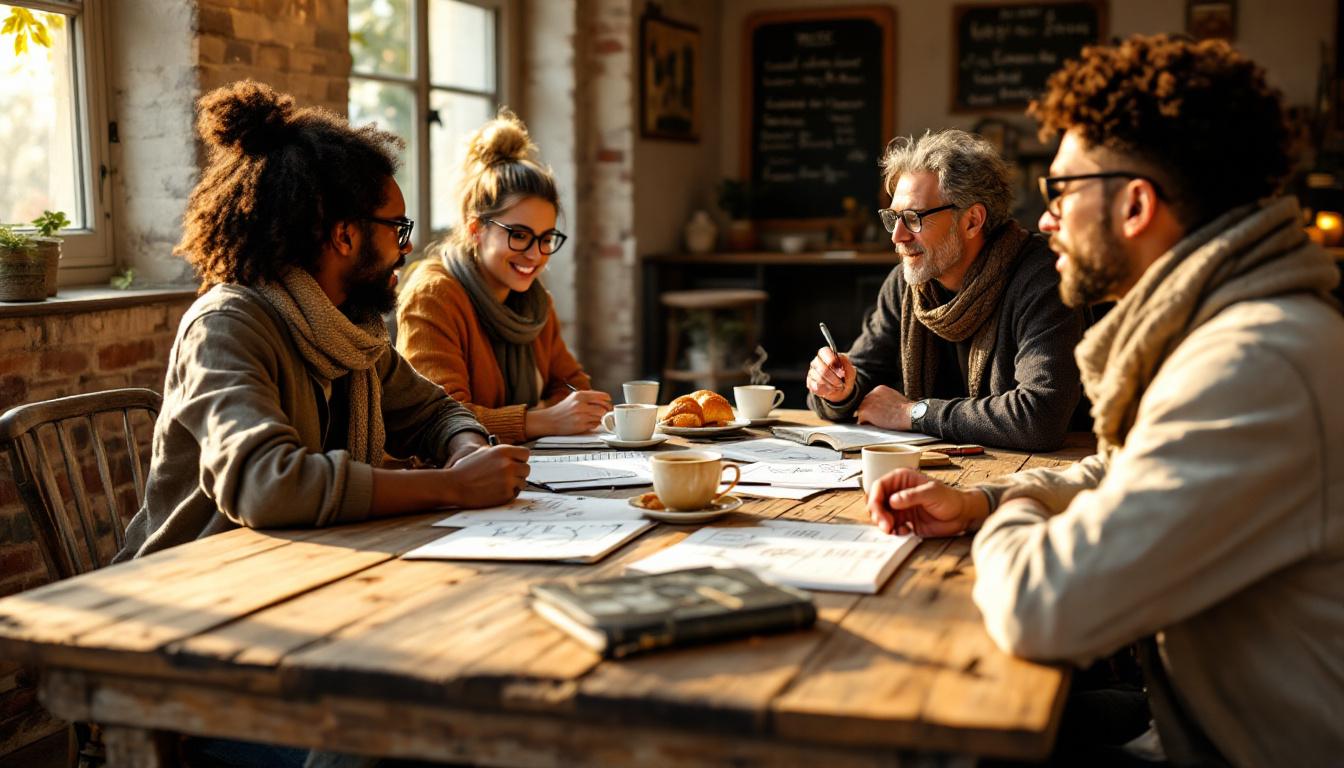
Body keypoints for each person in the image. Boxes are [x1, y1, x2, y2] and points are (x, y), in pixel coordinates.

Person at [868, 35, 1344, 766]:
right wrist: (986, 501)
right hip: (1193, 714)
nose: (1046, 219)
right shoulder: (1222, 332)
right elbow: (1125, 471)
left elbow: (1040, 608)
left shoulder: (1252, 363)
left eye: (1061, 191)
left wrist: (1014, 513)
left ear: (1134, 205)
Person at [118, 80, 530, 561]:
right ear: (344, 235)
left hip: (308, 564)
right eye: (397, 228)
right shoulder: (225, 325)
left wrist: (466, 449)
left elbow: (436, 412)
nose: (406, 247)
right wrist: (452, 486)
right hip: (194, 582)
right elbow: (265, 485)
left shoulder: (350, 332)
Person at [806, 129, 1084, 451]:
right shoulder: (906, 285)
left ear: (972, 221)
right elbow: (861, 376)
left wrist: (911, 413)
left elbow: (1040, 418)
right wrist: (839, 390)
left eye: (912, 218)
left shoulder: (1044, 277)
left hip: (1044, 477)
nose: (897, 236)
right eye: (893, 218)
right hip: (940, 474)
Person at [396, 110, 611, 444]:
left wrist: (568, 409)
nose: (536, 254)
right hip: (452, 476)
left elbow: (572, 385)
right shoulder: (433, 295)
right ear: (476, 229)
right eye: (520, 235)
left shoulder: (535, 302)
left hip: (528, 466)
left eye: (546, 238)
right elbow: (438, 418)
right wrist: (543, 420)